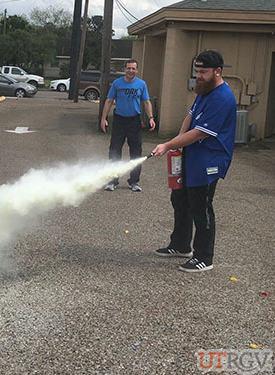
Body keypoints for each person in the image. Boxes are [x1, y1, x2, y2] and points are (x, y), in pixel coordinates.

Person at [151, 50, 237, 273]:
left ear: (218, 71)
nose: (198, 75)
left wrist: (168, 145)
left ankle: (204, 257)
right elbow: (190, 117)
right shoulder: (204, 90)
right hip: (192, 156)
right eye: (196, 71)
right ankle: (180, 244)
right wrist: (177, 141)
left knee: (201, 207)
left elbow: (200, 132)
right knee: (179, 199)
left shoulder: (223, 97)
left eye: (203, 72)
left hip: (209, 160)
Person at [100, 59, 156, 192]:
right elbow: (109, 101)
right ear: (124, 69)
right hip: (119, 120)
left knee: (136, 152)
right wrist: (103, 119)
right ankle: (113, 181)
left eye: (133, 69)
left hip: (134, 122)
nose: (131, 71)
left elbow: (147, 102)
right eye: (129, 68)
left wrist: (151, 118)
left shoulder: (141, 84)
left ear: (137, 70)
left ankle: (134, 182)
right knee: (114, 151)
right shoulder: (117, 83)